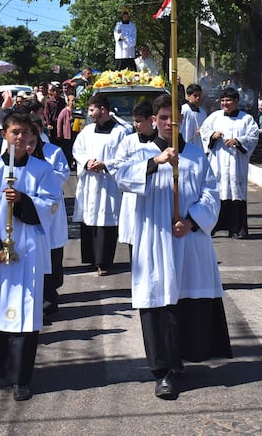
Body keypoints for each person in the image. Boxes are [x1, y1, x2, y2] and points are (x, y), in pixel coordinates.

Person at [114, 94, 232, 400]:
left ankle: (180, 359)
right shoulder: (139, 152)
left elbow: (211, 191)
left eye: (173, 118)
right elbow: (123, 179)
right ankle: (162, 372)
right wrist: (156, 162)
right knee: (158, 301)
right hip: (155, 238)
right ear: (154, 120)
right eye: (163, 118)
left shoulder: (195, 154)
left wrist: (192, 221)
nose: (169, 123)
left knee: (184, 302)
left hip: (188, 239)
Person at [0, 111, 60, 402]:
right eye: (14, 132)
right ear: (5, 135)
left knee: (25, 314)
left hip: (27, 251)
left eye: (24, 133)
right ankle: (2, 363)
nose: (20, 138)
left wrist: (23, 201)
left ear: (31, 136)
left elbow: (52, 205)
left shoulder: (41, 170)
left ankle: (22, 378)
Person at [72, 94, 129, 276]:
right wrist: (87, 162)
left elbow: (123, 156)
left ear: (102, 109)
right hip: (90, 180)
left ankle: (103, 262)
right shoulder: (87, 131)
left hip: (107, 181)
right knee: (89, 217)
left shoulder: (120, 132)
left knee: (105, 218)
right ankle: (90, 259)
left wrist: (105, 164)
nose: (89, 113)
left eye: (91, 109)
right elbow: (77, 149)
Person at [200, 87, 260, 239]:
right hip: (218, 161)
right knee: (218, 193)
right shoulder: (215, 117)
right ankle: (214, 226)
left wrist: (238, 141)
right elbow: (204, 131)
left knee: (235, 193)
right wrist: (213, 135)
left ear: (236, 101)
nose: (225, 103)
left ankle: (237, 229)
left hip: (236, 162)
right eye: (223, 100)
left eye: (228, 100)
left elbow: (253, 137)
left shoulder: (246, 119)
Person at [29, 114, 70, 319]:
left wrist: (44, 177)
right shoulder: (18, 155)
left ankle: (50, 297)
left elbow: (63, 174)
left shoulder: (54, 152)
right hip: (28, 215)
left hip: (50, 210)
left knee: (52, 256)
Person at [114, 102, 156, 255]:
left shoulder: (162, 141)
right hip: (133, 195)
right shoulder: (129, 141)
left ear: (151, 120)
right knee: (135, 239)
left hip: (156, 195)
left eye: (139, 121)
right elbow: (118, 166)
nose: (135, 124)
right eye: (134, 120)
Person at [179, 84, 207, 149]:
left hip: (199, 146)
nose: (198, 98)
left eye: (199, 95)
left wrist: (202, 130)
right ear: (188, 96)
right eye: (195, 96)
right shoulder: (183, 110)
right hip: (185, 145)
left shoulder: (203, 112)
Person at [56, 92, 76, 169]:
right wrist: (59, 133)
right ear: (68, 101)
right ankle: (67, 164)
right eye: (72, 101)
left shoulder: (76, 110)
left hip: (74, 134)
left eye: (74, 101)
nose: (73, 102)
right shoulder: (64, 111)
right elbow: (59, 122)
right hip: (67, 135)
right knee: (67, 151)